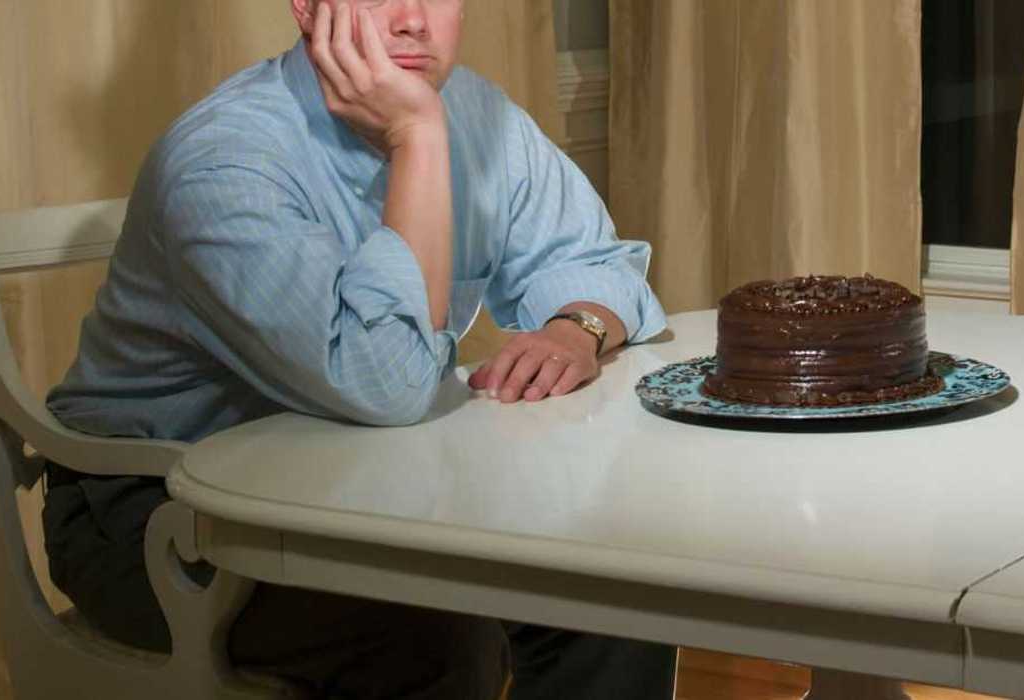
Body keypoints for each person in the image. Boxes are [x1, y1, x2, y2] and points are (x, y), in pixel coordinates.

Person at [40, 0, 676, 697]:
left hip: (367, 481)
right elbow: (386, 384)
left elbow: (593, 261)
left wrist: (575, 327)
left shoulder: (479, 114)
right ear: (306, 6)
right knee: (435, 638)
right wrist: (416, 137)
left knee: (617, 591)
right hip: (155, 509)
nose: (413, 19)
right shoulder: (221, 158)